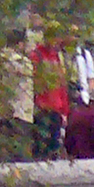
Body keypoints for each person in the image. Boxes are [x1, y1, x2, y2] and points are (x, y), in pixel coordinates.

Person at [31, 30, 70, 158]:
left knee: (54, 147)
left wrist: (64, 110)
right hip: (42, 108)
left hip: (56, 109)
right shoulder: (37, 55)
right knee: (41, 148)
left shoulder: (58, 57)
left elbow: (62, 85)